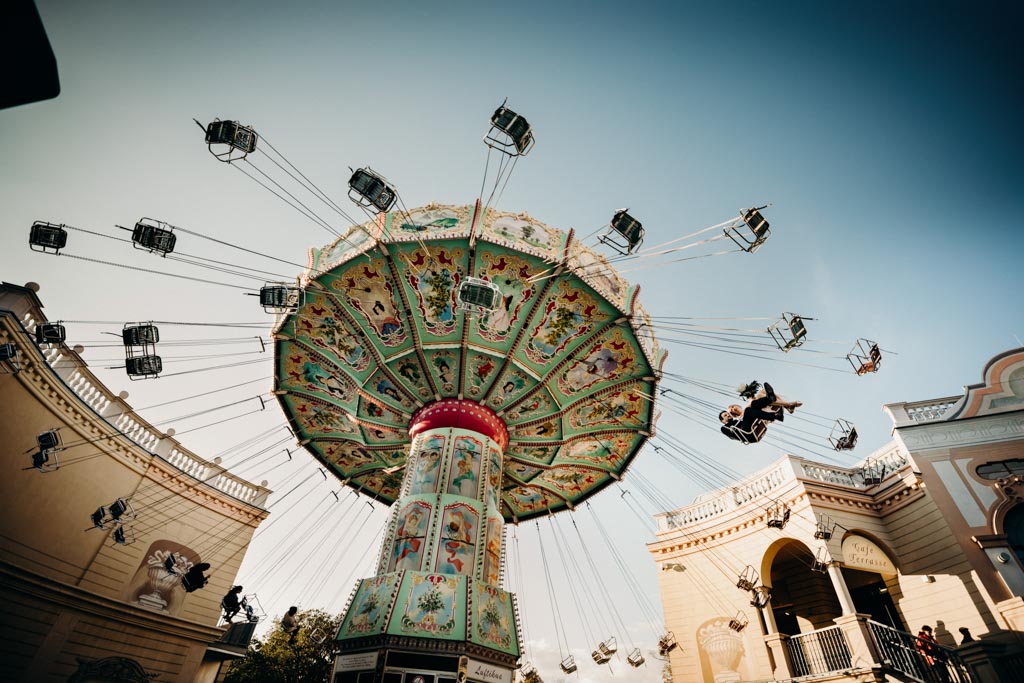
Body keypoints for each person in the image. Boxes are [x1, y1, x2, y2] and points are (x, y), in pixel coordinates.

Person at [720, 383, 801, 443]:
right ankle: (779, 411)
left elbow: (749, 418)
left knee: (755, 402)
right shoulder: (725, 427)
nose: (728, 415)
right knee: (749, 409)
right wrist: (732, 429)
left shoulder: (737, 421)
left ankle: (771, 400)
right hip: (746, 434)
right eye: (725, 415)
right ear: (723, 421)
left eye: (727, 414)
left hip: (750, 425)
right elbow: (732, 435)